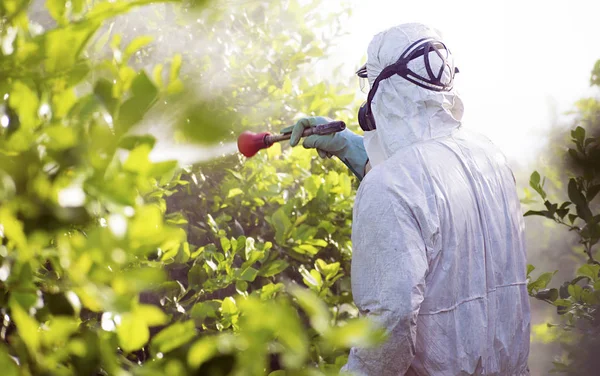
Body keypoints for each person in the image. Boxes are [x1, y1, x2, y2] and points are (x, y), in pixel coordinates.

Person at [284, 23, 531, 375]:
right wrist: (346, 144)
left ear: (384, 90)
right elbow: (427, 185)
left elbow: (392, 318)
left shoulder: (390, 186)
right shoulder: (488, 157)